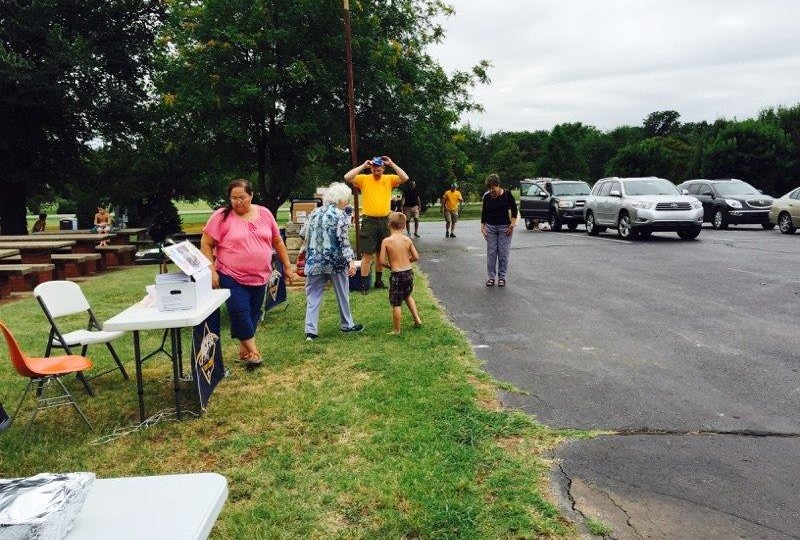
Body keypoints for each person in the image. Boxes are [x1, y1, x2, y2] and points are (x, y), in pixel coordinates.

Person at [201, 179, 297, 368]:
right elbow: (206, 243)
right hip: (230, 274)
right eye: (233, 198)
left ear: (251, 195)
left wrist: (287, 267)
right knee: (239, 311)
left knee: (252, 313)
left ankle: (244, 349)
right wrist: (211, 270)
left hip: (260, 275)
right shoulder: (221, 216)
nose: (237, 202)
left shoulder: (265, 214)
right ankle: (254, 352)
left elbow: (277, 242)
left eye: (242, 197)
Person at [299, 182, 364, 341]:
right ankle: (346, 325)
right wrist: (350, 261)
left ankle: (310, 331)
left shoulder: (314, 213)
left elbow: (303, 234)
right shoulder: (340, 215)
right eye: (346, 199)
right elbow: (343, 241)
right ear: (340, 199)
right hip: (335, 261)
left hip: (314, 260)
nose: (347, 202)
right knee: (342, 293)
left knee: (313, 297)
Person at [344, 155, 409, 293]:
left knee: (381, 253)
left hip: (385, 221)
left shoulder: (389, 179)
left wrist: (392, 163)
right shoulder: (364, 179)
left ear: (383, 169)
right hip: (369, 221)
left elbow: (405, 178)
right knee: (367, 254)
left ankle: (378, 281)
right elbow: (347, 177)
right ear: (371, 168)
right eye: (374, 169)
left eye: (379, 169)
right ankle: (363, 286)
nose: (376, 172)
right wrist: (363, 166)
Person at [378, 212, 422, 334]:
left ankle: (396, 330)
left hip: (397, 274)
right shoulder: (407, 240)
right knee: (407, 295)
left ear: (389, 225)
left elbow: (381, 261)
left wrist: (390, 266)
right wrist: (408, 260)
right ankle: (417, 319)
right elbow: (416, 257)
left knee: (396, 302)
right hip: (408, 272)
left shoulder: (386, 241)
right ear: (403, 226)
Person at [481, 174, 518, 287]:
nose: (491, 191)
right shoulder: (487, 197)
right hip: (490, 227)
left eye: (493, 188)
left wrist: (512, 225)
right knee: (491, 253)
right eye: (489, 188)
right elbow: (484, 212)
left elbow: (515, 210)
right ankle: (491, 277)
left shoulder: (507, 195)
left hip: (505, 228)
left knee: (503, 253)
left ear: (498, 186)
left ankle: (502, 277)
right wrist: (482, 226)